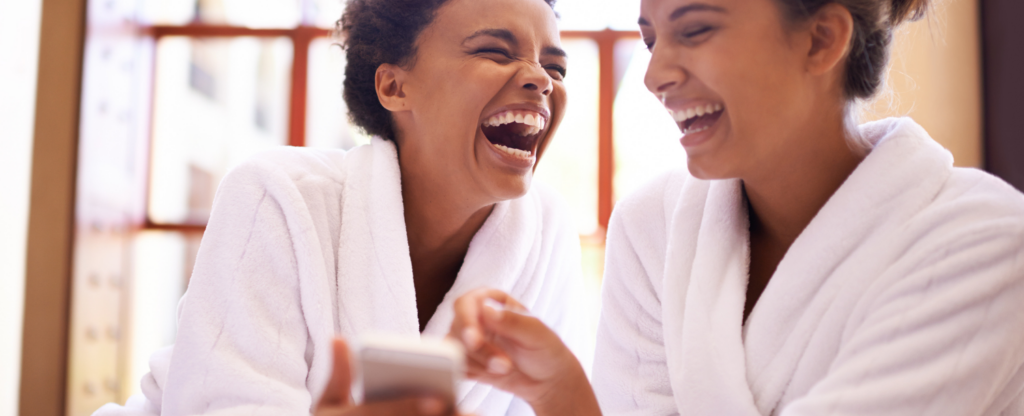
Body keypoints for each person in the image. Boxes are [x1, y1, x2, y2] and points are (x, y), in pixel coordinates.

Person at [446, 0, 1024, 414]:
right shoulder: (653, 227)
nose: (654, 75)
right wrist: (557, 396)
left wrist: (568, 400)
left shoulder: (987, 242)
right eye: (650, 38)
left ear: (821, 39)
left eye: (694, 30)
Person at [93, 0, 587, 415]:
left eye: (556, 67)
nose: (541, 80)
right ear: (394, 86)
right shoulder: (280, 197)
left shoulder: (547, 234)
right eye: (494, 51)